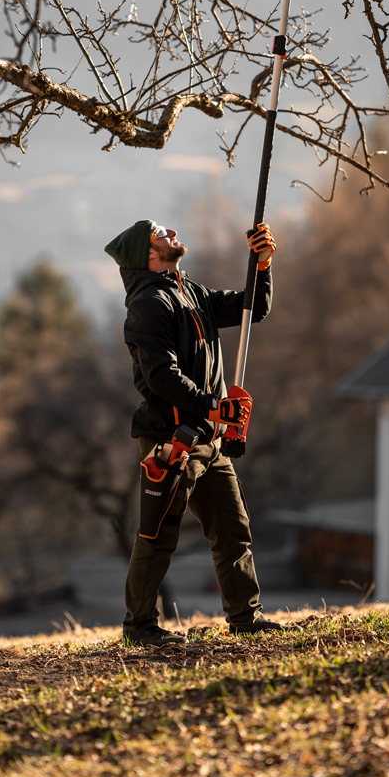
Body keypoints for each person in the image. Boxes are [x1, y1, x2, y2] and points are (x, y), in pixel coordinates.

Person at [104, 218, 283, 647]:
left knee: (232, 528)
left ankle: (245, 616)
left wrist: (262, 264)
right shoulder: (147, 305)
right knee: (157, 534)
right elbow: (162, 377)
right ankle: (140, 627)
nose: (172, 233)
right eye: (161, 233)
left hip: (210, 437)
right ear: (146, 255)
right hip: (173, 439)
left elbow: (251, 308)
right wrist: (213, 407)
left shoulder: (191, 291)